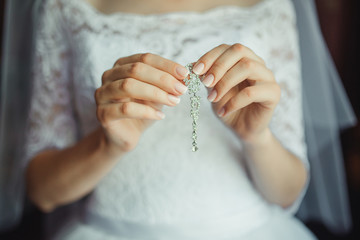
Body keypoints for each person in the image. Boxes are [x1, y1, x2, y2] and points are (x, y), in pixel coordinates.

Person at [2, 0, 342, 239]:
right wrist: (107, 145)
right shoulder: (66, 8)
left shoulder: (271, 8)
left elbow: (287, 194)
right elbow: (42, 192)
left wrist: (257, 138)